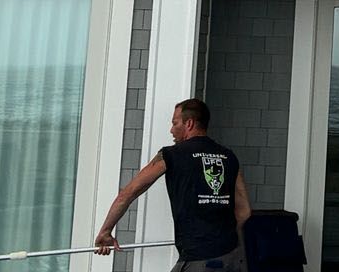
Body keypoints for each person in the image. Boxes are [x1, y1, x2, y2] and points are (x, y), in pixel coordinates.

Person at [96, 98, 252, 266]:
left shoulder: (172, 154)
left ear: (189, 124)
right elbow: (244, 212)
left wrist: (105, 231)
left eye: (175, 123)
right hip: (232, 257)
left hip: (198, 258)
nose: (171, 130)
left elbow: (129, 193)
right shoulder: (229, 156)